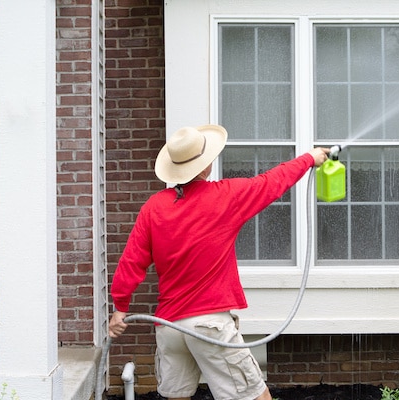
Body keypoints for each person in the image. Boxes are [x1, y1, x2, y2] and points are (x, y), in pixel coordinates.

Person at [109, 124, 331, 400]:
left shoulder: (154, 207)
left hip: (169, 328)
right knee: (256, 397)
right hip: (209, 325)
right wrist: (309, 158)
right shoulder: (226, 196)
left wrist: (120, 308)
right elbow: (272, 182)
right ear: (206, 166)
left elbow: (131, 261)